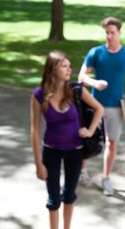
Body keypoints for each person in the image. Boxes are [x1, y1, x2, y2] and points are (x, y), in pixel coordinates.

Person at [31, 51, 104, 229]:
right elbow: (34, 130)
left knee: (69, 195)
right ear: (52, 68)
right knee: (53, 198)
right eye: (64, 66)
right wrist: (38, 164)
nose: (69, 70)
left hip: (76, 151)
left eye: (70, 66)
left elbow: (99, 109)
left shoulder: (76, 90)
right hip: (51, 151)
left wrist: (90, 130)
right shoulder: (39, 95)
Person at [78, 17, 125, 196]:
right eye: (107, 32)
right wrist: (94, 83)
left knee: (112, 142)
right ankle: (82, 171)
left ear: (120, 33)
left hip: (116, 107)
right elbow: (81, 77)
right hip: (95, 106)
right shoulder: (95, 53)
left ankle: (106, 178)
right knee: (88, 138)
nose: (109, 36)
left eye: (113, 33)